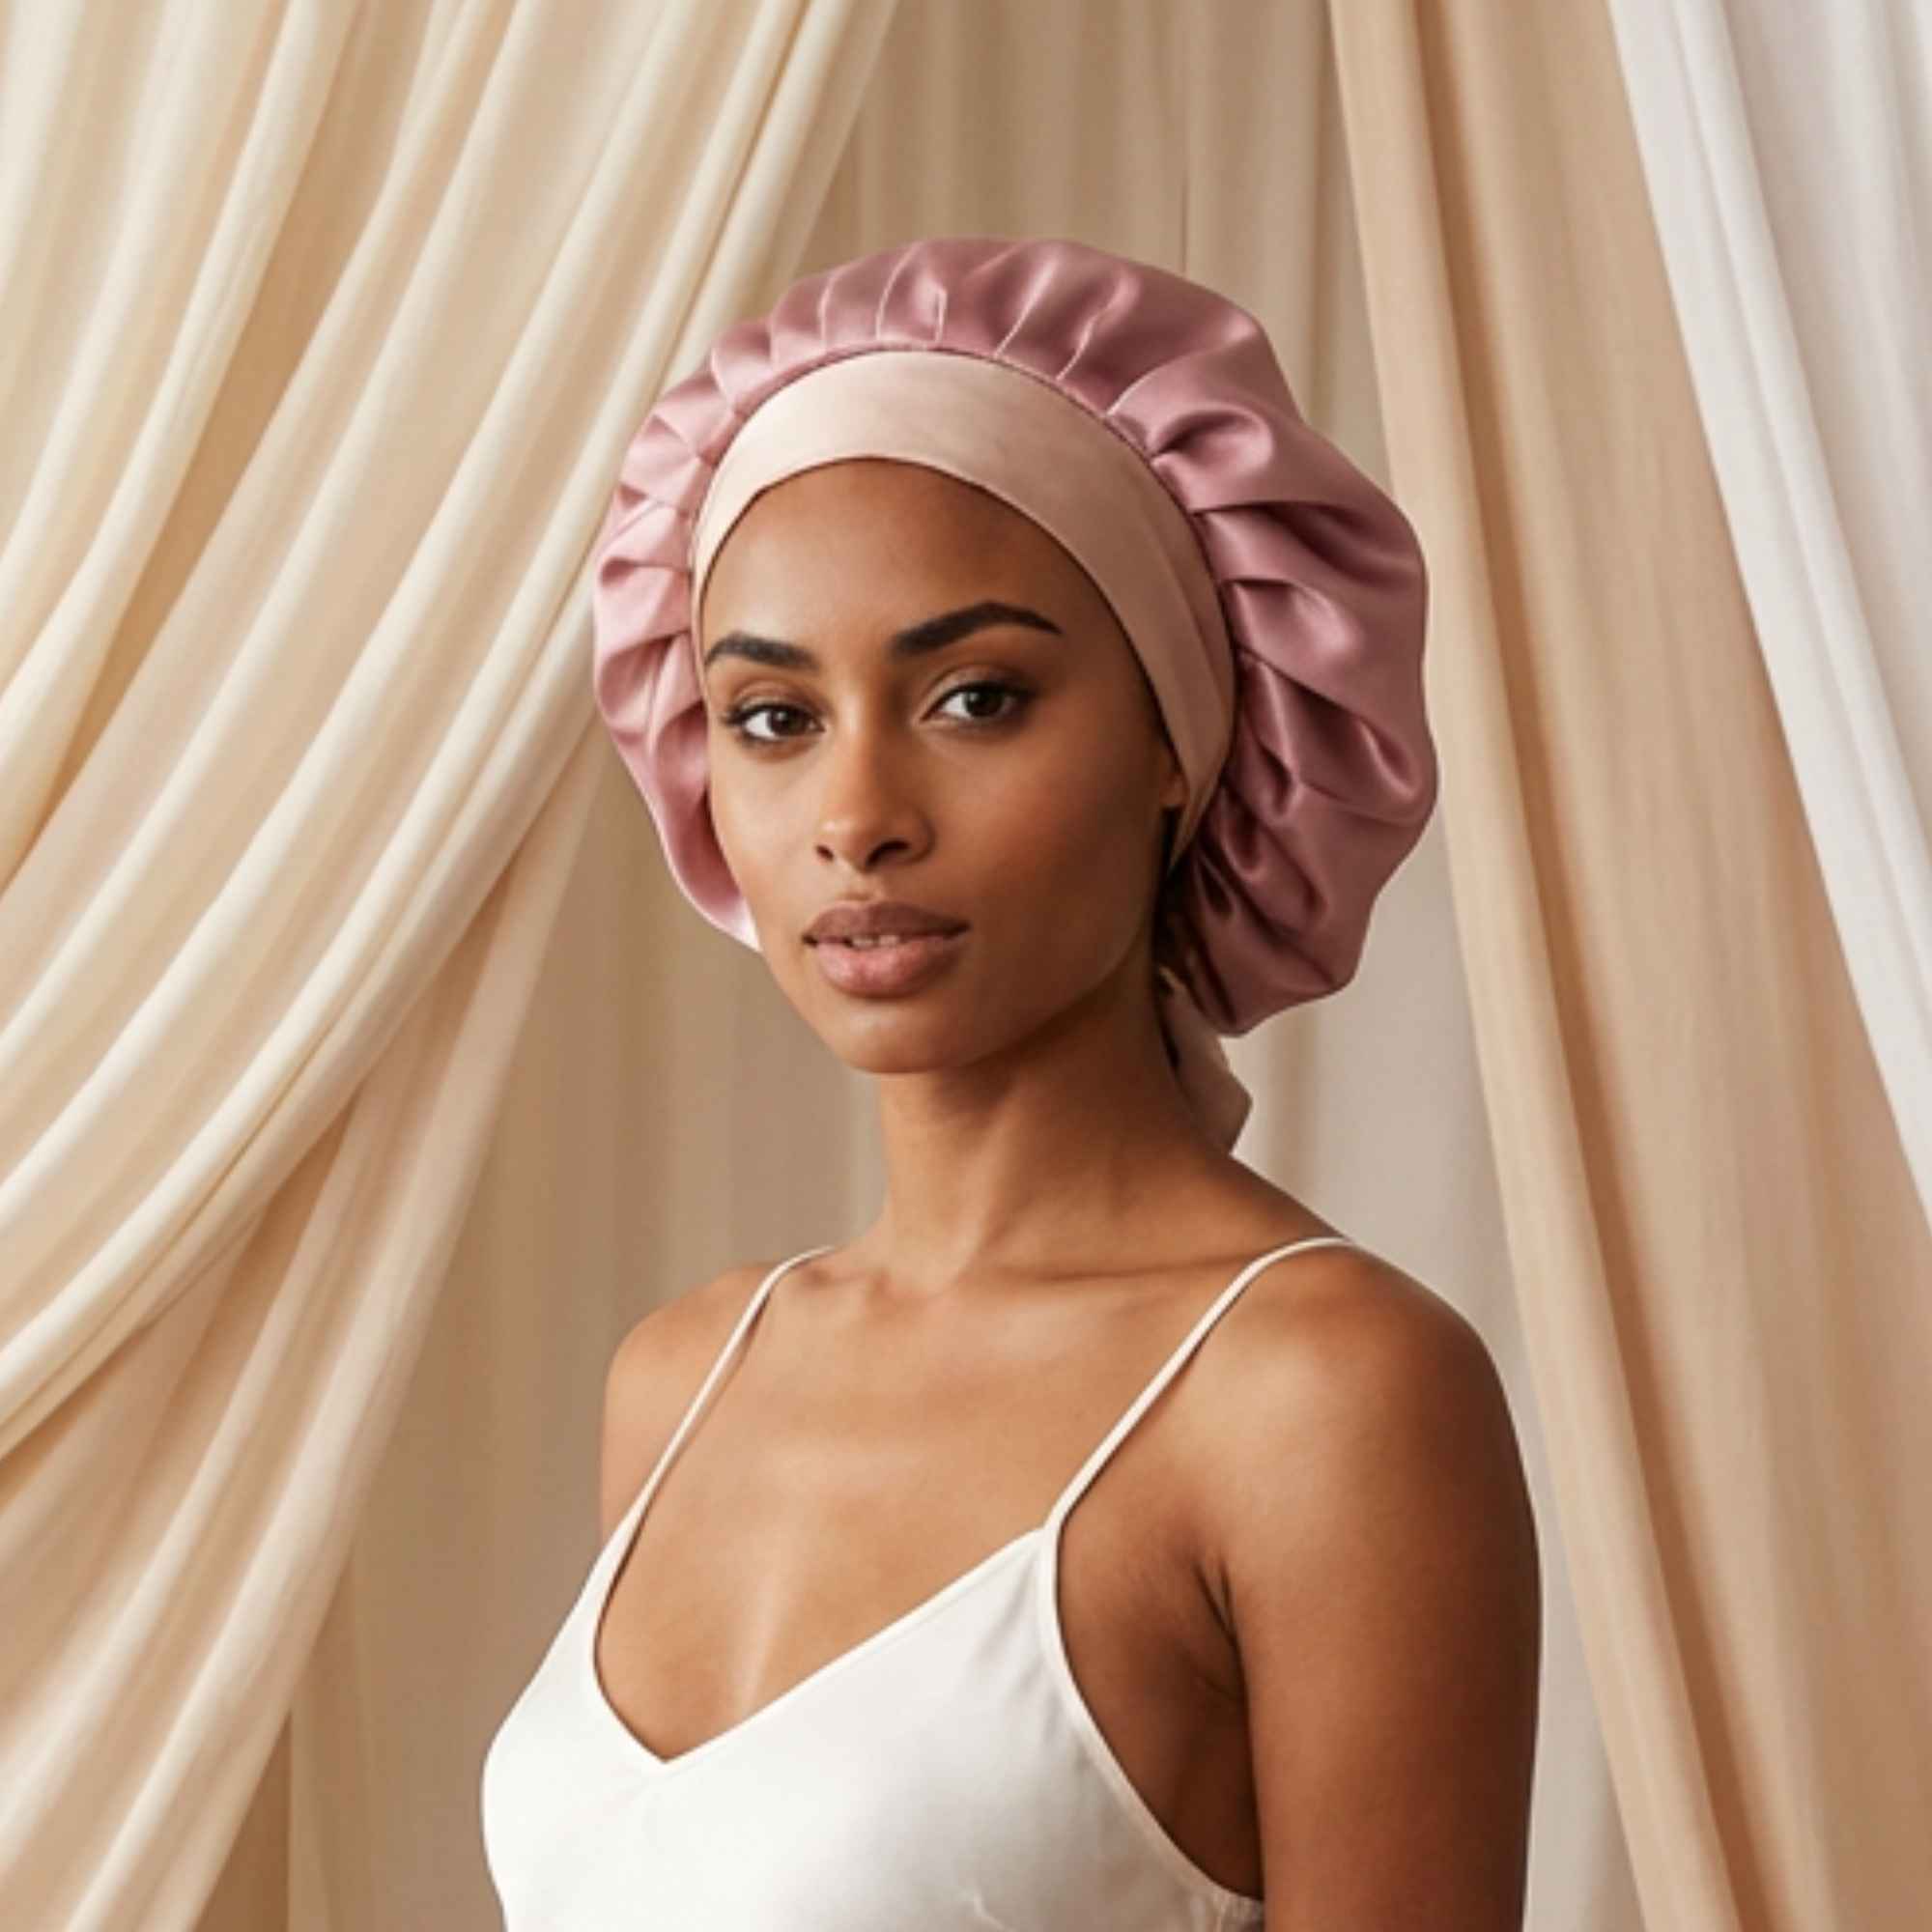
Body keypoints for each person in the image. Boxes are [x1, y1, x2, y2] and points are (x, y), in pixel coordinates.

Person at [483, 236, 1541, 1929]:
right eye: (770, 717)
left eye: (975, 697)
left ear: (1181, 746)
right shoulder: (685, 1376)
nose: (857, 814)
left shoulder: (1324, 1396)